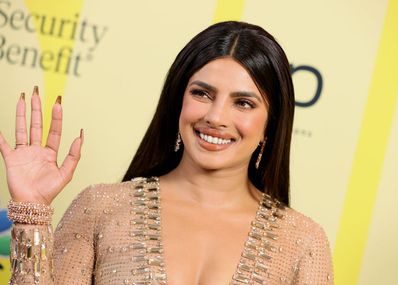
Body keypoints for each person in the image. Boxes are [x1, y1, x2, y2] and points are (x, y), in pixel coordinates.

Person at [0, 21, 333, 284]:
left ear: (270, 124)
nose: (216, 117)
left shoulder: (303, 242)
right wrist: (32, 212)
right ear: (179, 101)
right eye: (202, 94)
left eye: (243, 103)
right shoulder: (98, 208)